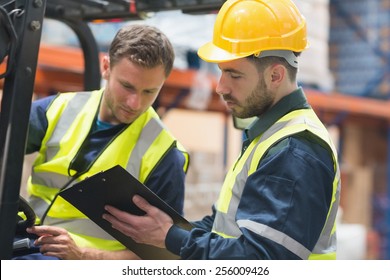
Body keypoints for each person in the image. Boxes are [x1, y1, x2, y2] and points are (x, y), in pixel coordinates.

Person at [102, 0, 341, 260]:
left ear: (275, 76)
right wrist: (165, 233)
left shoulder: (294, 150)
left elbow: (262, 262)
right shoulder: (268, 138)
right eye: (221, 72)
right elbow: (223, 230)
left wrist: (170, 236)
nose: (221, 87)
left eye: (234, 75)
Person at [14, 24, 189, 260]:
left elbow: (161, 257)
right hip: (25, 241)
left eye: (149, 91)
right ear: (106, 68)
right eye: (127, 86)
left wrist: (85, 256)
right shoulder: (57, 109)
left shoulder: (165, 155)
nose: (135, 103)